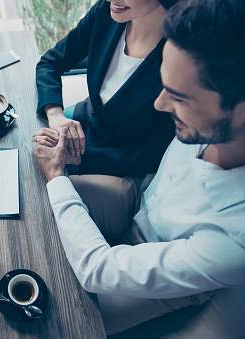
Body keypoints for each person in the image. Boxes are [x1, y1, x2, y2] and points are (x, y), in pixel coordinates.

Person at [34, 0, 245, 335]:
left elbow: (99, 271)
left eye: (178, 97)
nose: (160, 104)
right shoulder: (206, 122)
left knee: (53, 314)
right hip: (139, 202)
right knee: (33, 200)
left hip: (160, 278)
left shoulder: (237, 237)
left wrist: (59, 176)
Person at [34, 0, 177, 177]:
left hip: (119, 166)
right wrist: (55, 114)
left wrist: (77, 155)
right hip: (86, 122)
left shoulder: (181, 56)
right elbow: (50, 62)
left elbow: (153, 156)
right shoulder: (106, 12)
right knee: (28, 142)